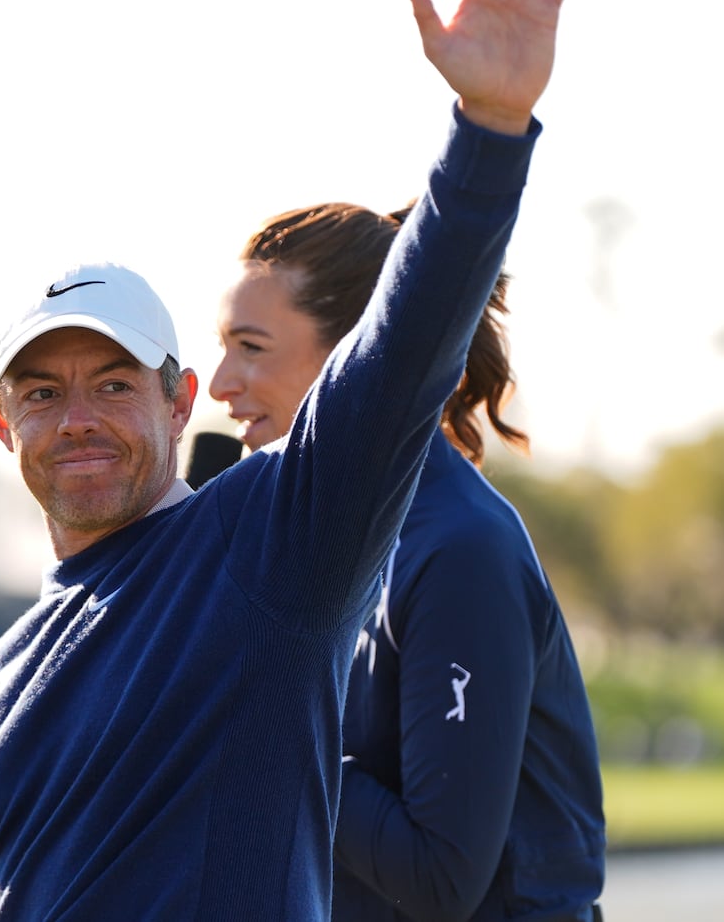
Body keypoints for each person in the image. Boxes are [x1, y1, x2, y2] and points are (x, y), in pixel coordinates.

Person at [0, 0, 583, 921]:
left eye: (114, 383)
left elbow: (395, 359)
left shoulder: (262, 549)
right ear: (2, 425)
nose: (78, 416)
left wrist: (487, 134)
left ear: (179, 404)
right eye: (42, 392)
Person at [210, 199, 606, 920]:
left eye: (251, 346)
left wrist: (262, 725)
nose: (219, 383)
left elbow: (438, 877)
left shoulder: (460, 549)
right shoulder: (309, 537)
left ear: (360, 353)